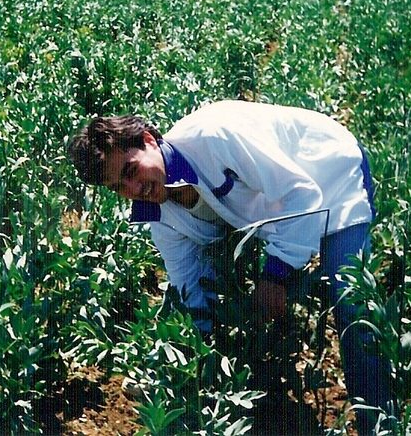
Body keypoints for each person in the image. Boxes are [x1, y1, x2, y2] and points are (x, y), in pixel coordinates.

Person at [68, 100, 394, 433]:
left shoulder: (214, 138)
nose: (135, 190)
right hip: (275, 210)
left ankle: (380, 423)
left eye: (131, 171)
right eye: (118, 188)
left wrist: (275, 275)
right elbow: (191, 290)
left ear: (149, 140)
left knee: (351, 305)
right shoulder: (160, 218)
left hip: (328, 176)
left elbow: (302, 194)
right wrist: (197, 359)